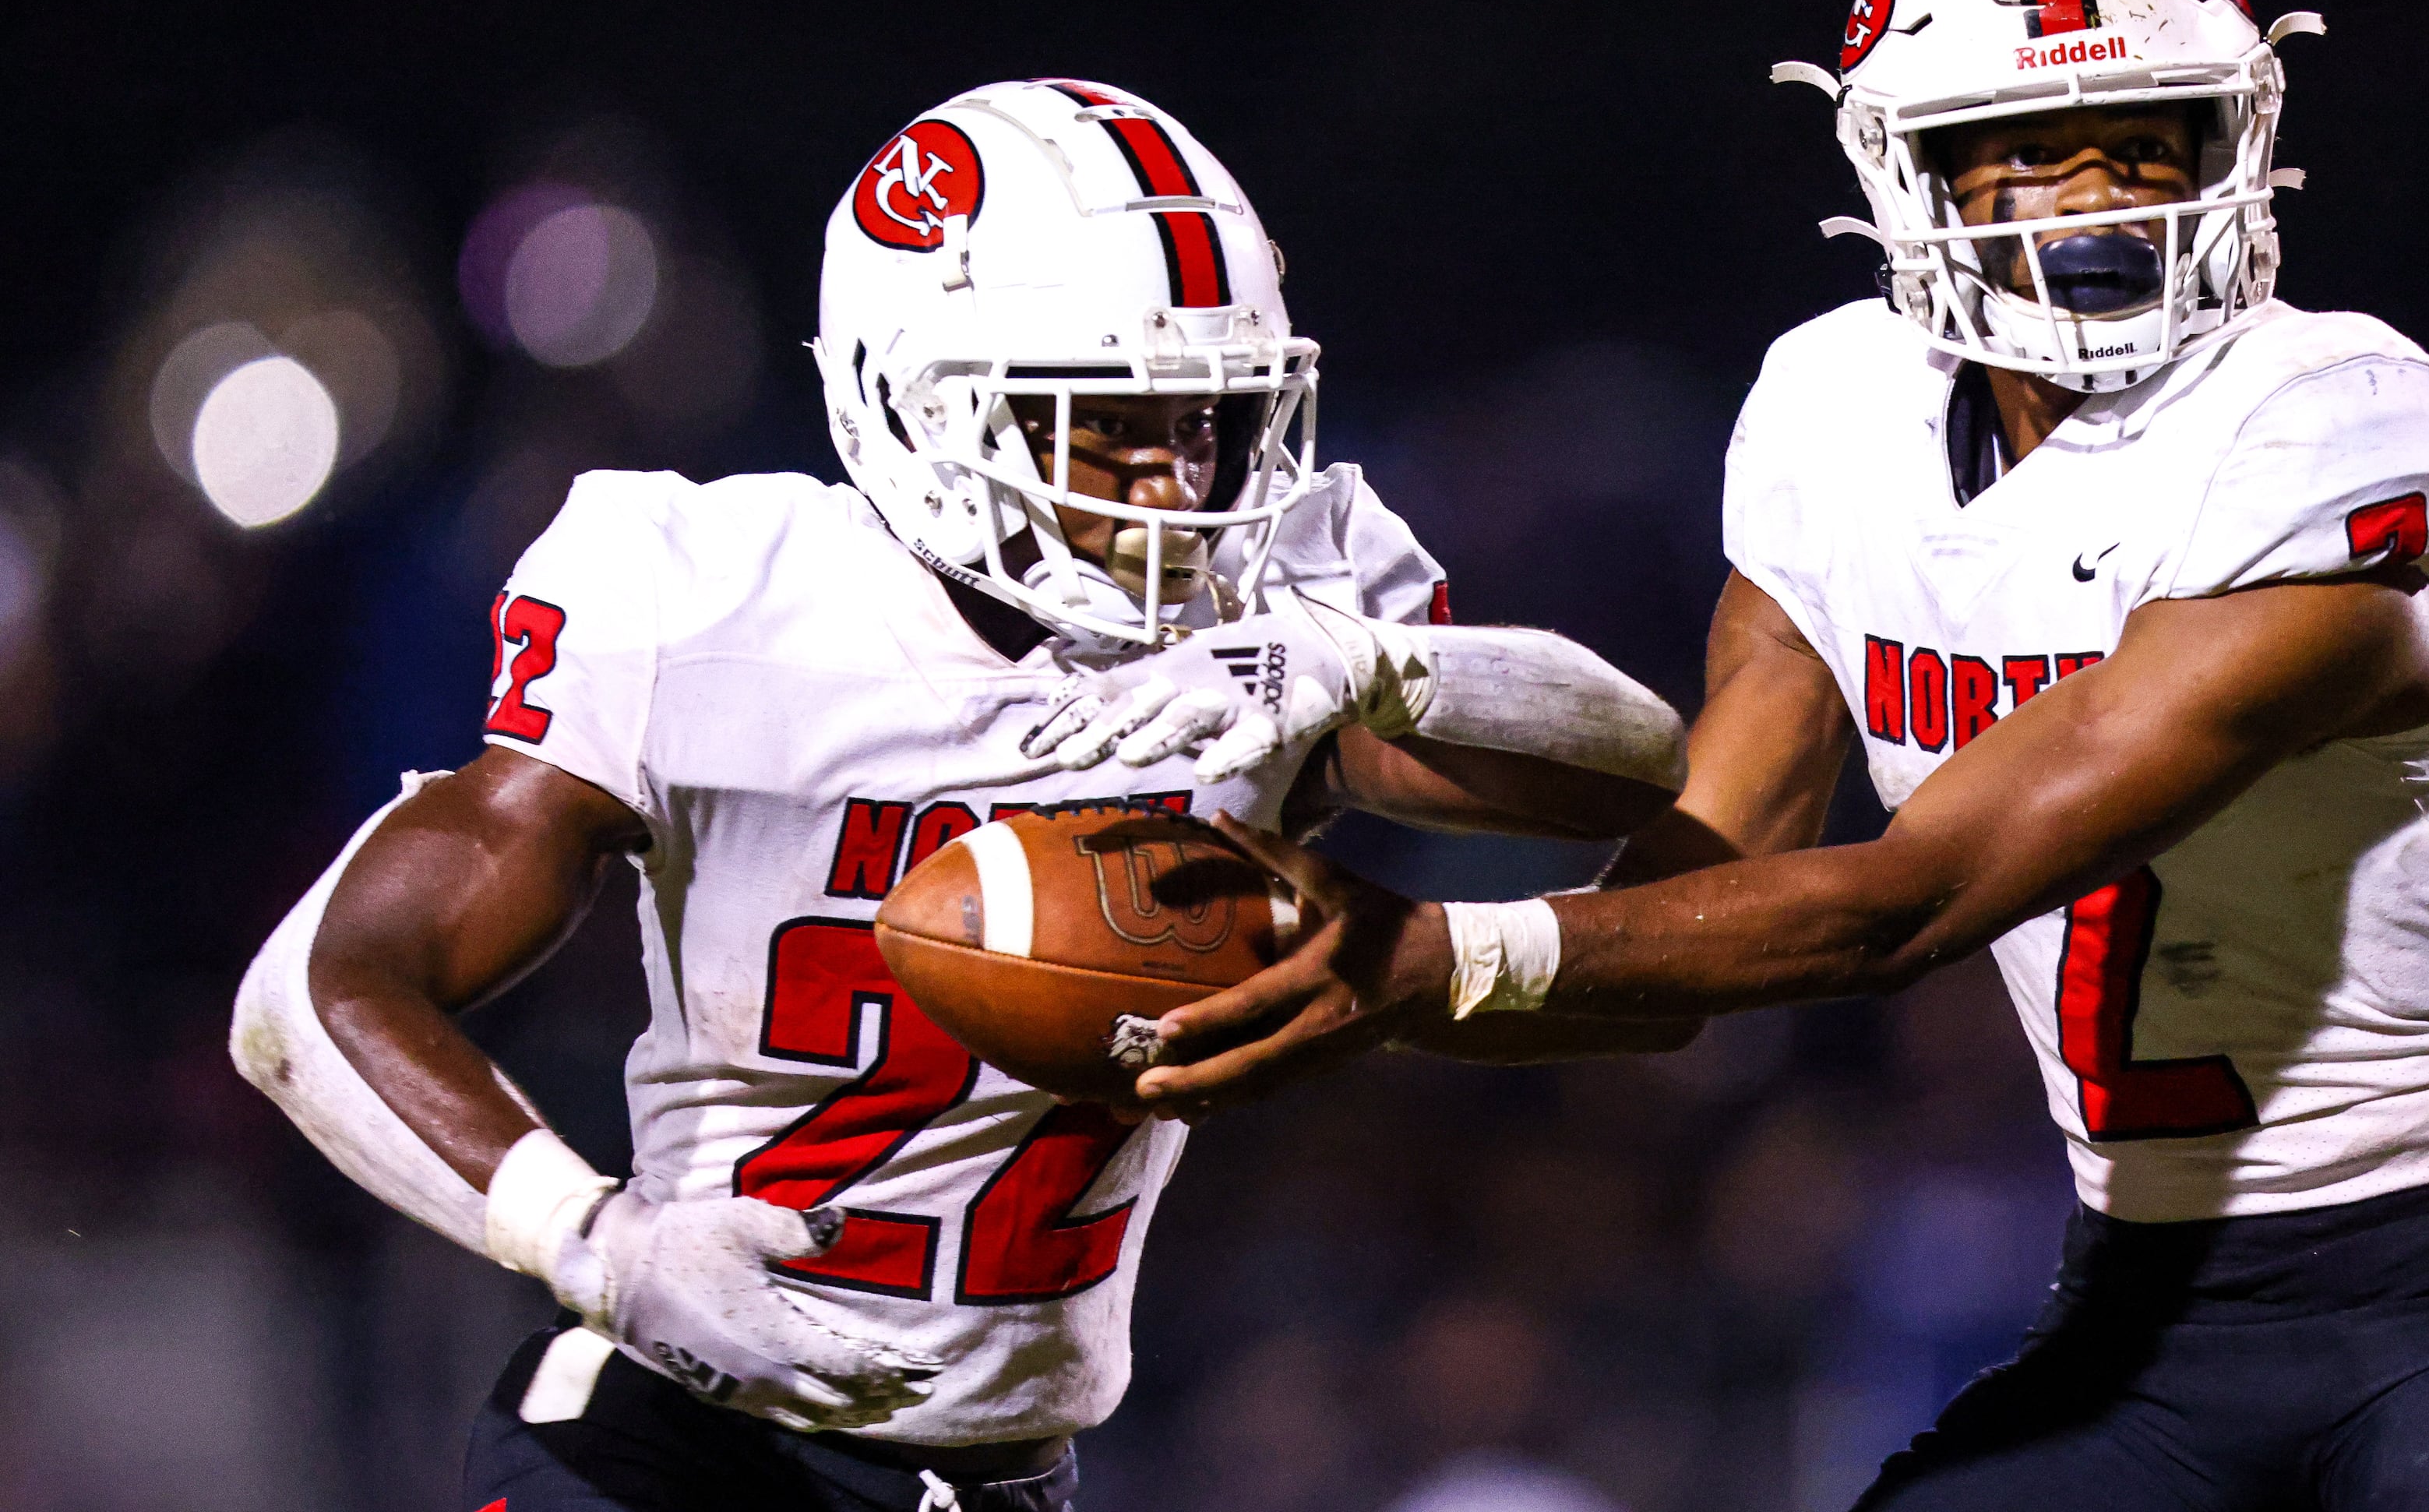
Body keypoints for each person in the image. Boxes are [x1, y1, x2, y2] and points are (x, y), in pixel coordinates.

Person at [1133, 0, 2429, 1511]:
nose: (2103, 194)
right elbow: (1696, 922)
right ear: (1910, 170)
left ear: (2238, 139)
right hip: (2142, 1313)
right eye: (2034, 147)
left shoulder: (2329, 414)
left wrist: (1428, 956)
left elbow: (1900, 906)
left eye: (2147, 133)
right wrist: (1354, 850)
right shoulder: (1833, 412)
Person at [231, 79, 1695, 1512]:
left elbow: (1628, 772)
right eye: (1106, 423)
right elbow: (309, 993)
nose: (1180, 485)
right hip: (668, 1440)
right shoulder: (704, 600)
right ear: (917, 406)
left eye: (1212, 420)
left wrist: (1368, 668)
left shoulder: (1279, 617)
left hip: (998, 1473)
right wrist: (597, 1242)